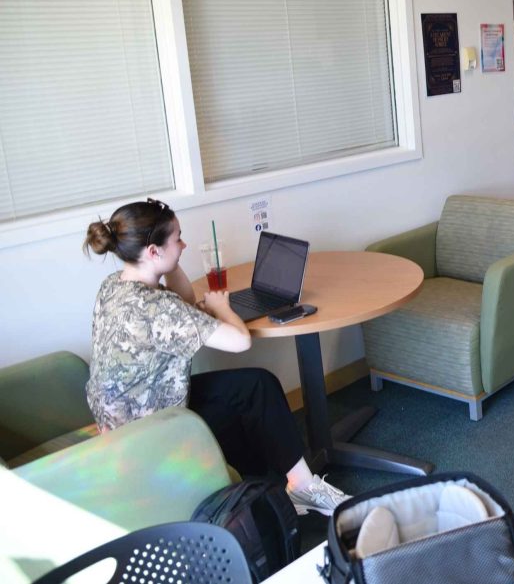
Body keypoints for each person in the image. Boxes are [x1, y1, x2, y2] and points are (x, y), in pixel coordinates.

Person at [83, 199, 350, 516]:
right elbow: (240, 341)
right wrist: (223, 309)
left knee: (251, 389)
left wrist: (170, 261)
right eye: (177, 239)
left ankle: (282, 481)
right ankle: (302, 489)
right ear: (152, 251)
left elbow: (184, 300)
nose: (183, 244)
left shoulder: (114, 285)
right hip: (149, 434)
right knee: (257, 390)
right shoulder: (156, 308)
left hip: (123, 421)